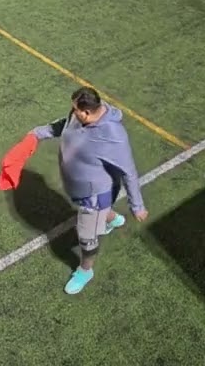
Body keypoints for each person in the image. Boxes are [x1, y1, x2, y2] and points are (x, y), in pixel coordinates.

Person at [29, 87, 147, 295]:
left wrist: (137, 206)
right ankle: (112, 219)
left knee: (86, 236)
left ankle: (85, 270)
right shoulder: (78, 116)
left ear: (86, 112)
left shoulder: (112, 135)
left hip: (95, 195)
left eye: (75, 109)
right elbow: (63, 126)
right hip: (78, 186)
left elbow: (129, 171)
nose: (71, 112)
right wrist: (38, 133)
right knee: (93, 216)